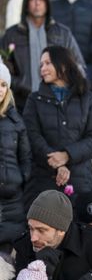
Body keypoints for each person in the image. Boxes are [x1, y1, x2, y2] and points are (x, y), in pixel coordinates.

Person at [22, 45, 92, 209]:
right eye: (41, 65)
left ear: (64, 65)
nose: (43, 68)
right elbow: (32, 135)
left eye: (48, 63)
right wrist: (57, 163)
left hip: (81, 179)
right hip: (44, 179)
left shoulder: (88, 98)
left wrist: (67, 155)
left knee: (79, 230)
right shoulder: (34, 99)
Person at [14, 190, 92, 279]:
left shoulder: (89, 240)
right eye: (31, 228)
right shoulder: (25, 245)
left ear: (61, 229)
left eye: (42, 230)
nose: (33, 237)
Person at [0, 0, 85, 112]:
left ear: (47, 3)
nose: (37, 3)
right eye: (32, 0)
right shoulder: (12, 35)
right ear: (26, 4)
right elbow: (2, 70)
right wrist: (21, 84)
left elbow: (79, 67)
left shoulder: (62, 33)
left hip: (58, 104)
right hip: (21, 104)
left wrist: (62, 82)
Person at [0, 59, 31, 255]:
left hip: (12, 200)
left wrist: (20, 178)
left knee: (7, 263)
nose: (0, 89)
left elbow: (26, 158)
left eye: (3, 84)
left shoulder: (15, 120)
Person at [50, 0, 92, 81]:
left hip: (86, 63)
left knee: (84, 91)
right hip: (58, 63)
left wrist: (91, 52)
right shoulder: (53, 7)